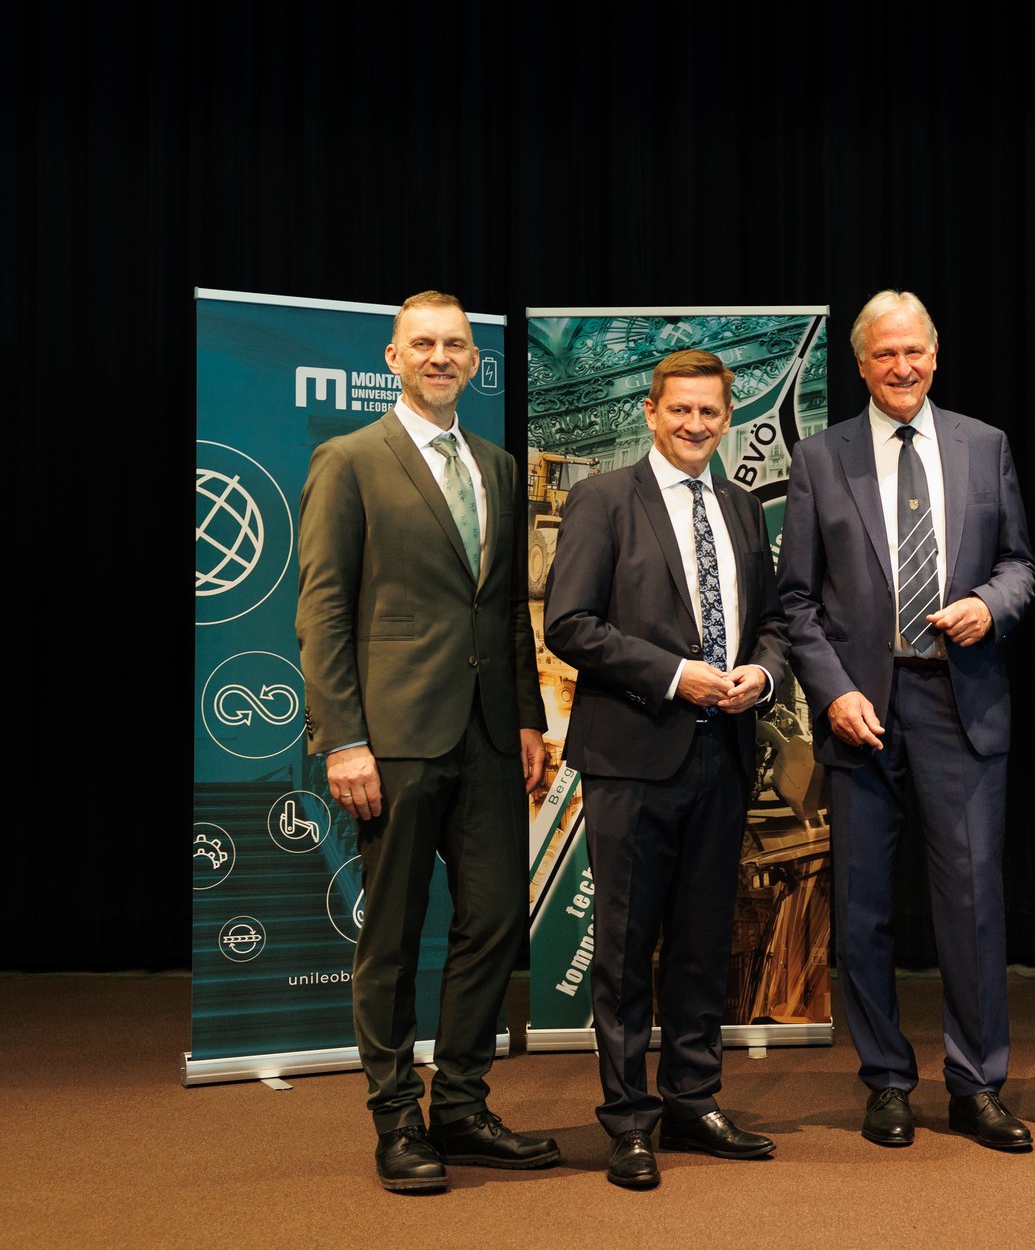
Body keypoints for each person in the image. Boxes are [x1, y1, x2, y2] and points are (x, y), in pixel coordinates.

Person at [296, 290, 556, 1192]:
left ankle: (463, 1105)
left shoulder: (496, 462)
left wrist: (528, 716)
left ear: (475, 361)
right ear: (393, 356)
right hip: (393, 739)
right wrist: (343, 740)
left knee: (493, 920)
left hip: (488, 738)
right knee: (396, 934)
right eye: (424, 344)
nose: (441, 356)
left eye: (456, 345)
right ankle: (396, 1122)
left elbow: (508, 615)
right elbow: (323, 610)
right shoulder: (350, 460)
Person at [779, 289, 1035, 1150]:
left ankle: (976, 1083)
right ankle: (886, 1079)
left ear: (936, 355)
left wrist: (989, 607)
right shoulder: (821, 458)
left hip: (960, 706)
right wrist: (833, 691)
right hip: (862, 713)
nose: (902, 368)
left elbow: (1020, 565)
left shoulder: (984, 445)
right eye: (885, 355)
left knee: (972, 906)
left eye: (915, 352)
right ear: (861, 364)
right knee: (861, 912)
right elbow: (796, 605)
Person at [543, 348, 791, 1191]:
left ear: (728, 420)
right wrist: (675, 673)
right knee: (622, 949)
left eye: (710, 413)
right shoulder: (602, 499)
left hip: (723, 754)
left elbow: (774, 623)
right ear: (650, 413)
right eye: (679, 410)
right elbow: (569, 624)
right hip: (632, 757)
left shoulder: (742, 508)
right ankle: (629, 1120)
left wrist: (762, 673)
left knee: (700, 944)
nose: (695, 425)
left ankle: (693, 1099)